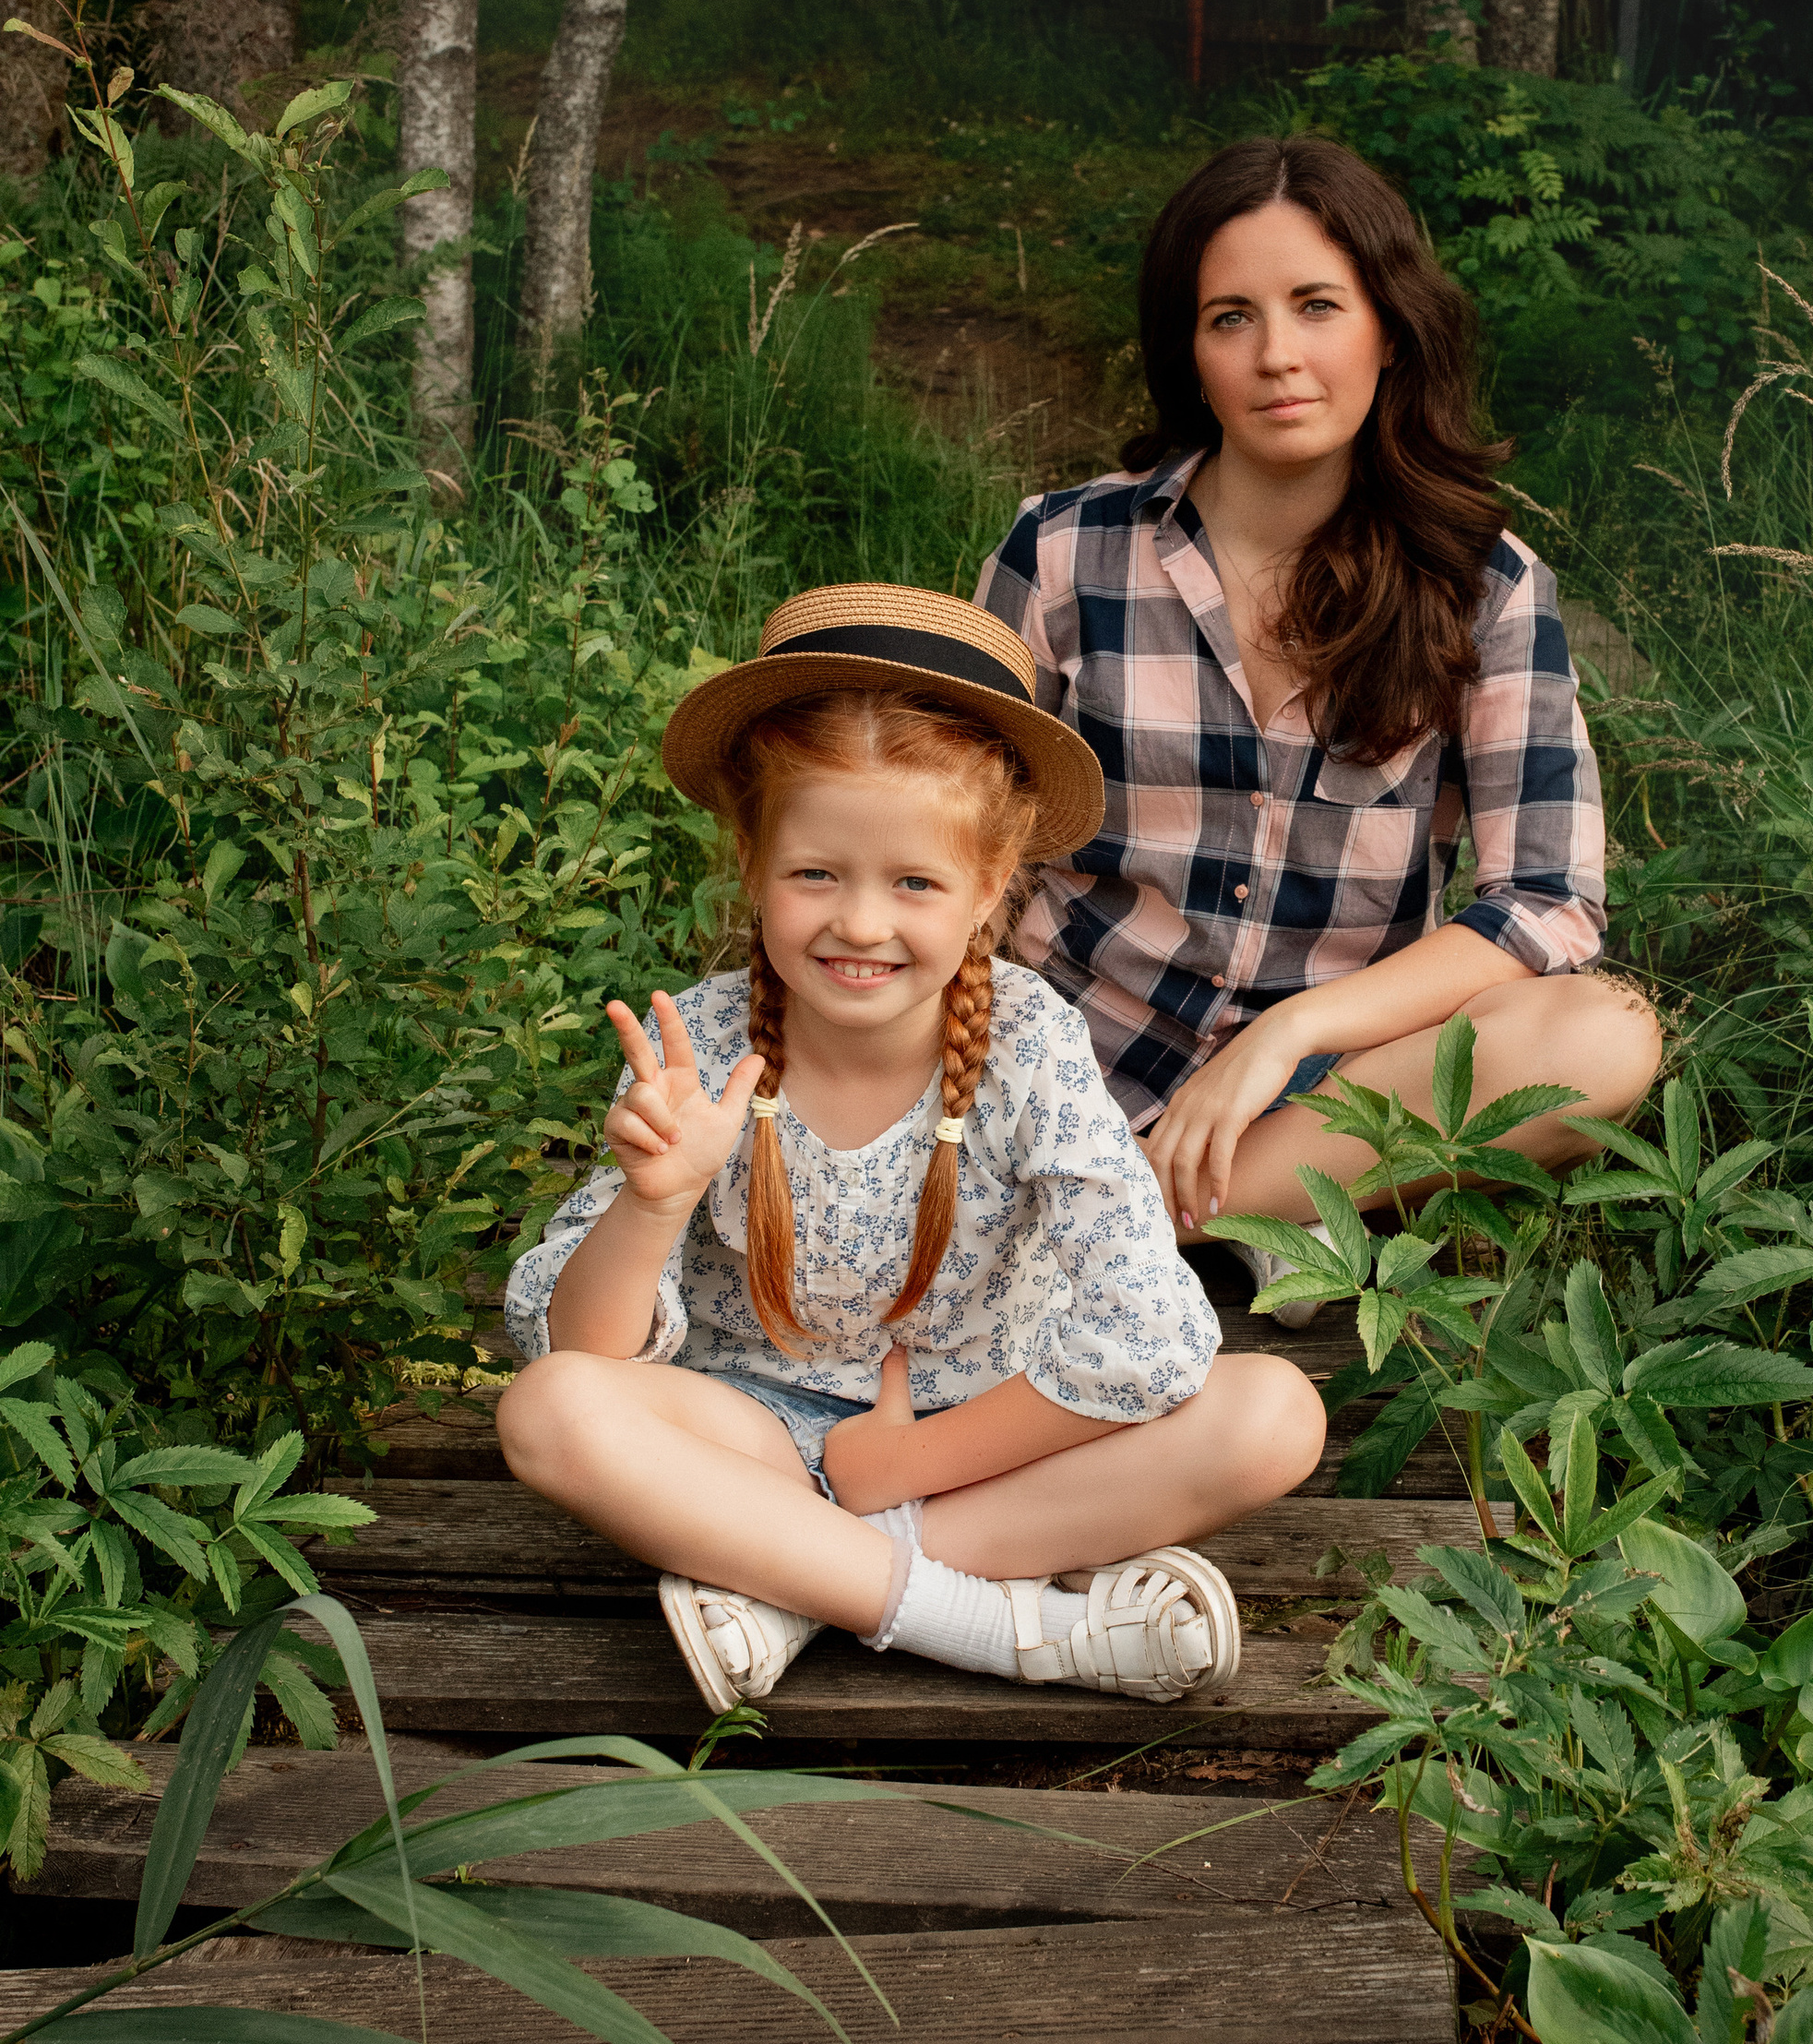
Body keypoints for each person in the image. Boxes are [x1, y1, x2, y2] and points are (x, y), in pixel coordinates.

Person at [497, 584, 1325, 1715]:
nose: (861, 924)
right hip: (754, 1432)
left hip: (991, 1442)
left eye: (916, 883)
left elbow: (1153, 1325)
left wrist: (911, 1466)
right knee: (546, 1411)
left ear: (990, 889)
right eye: (815, 873)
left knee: (1273, 1413)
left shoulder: (1027, 1042)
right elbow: (574, 1349)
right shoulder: (706, 1038)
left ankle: (792, 1579)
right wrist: (652, 1202)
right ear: (750, 860)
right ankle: (992, 1622)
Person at [976, 135, 1661, 1319]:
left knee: (1608, 1035)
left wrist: (1290, 1033)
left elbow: (1548, 897)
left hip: (1323, 1094)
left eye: (1316, 306)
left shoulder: (1482, 586)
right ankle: (1223, 1232)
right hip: (1069, 1056)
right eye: (1230, 317)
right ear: (1189, 353)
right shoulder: (1063, 550)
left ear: (1388, 330)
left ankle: (1146, 1214)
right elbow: (966, 836)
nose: (1278, 355)